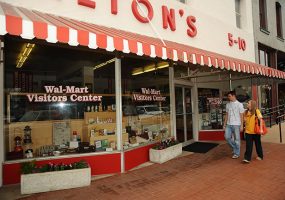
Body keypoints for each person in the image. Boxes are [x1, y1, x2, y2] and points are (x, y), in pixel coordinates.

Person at [223, 91, 244, 159]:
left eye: (229, 96)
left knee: (237, 139)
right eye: (228, 96)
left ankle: (236, 153)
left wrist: (241, 125)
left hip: (236, 124)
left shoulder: (240, 104)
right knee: (227, 137)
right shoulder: (227, 105)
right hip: (229, 124)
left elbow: (241, 116)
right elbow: (226, 115)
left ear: (233, 96)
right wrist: (224, 124)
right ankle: (235, 147)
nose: (228, 97)